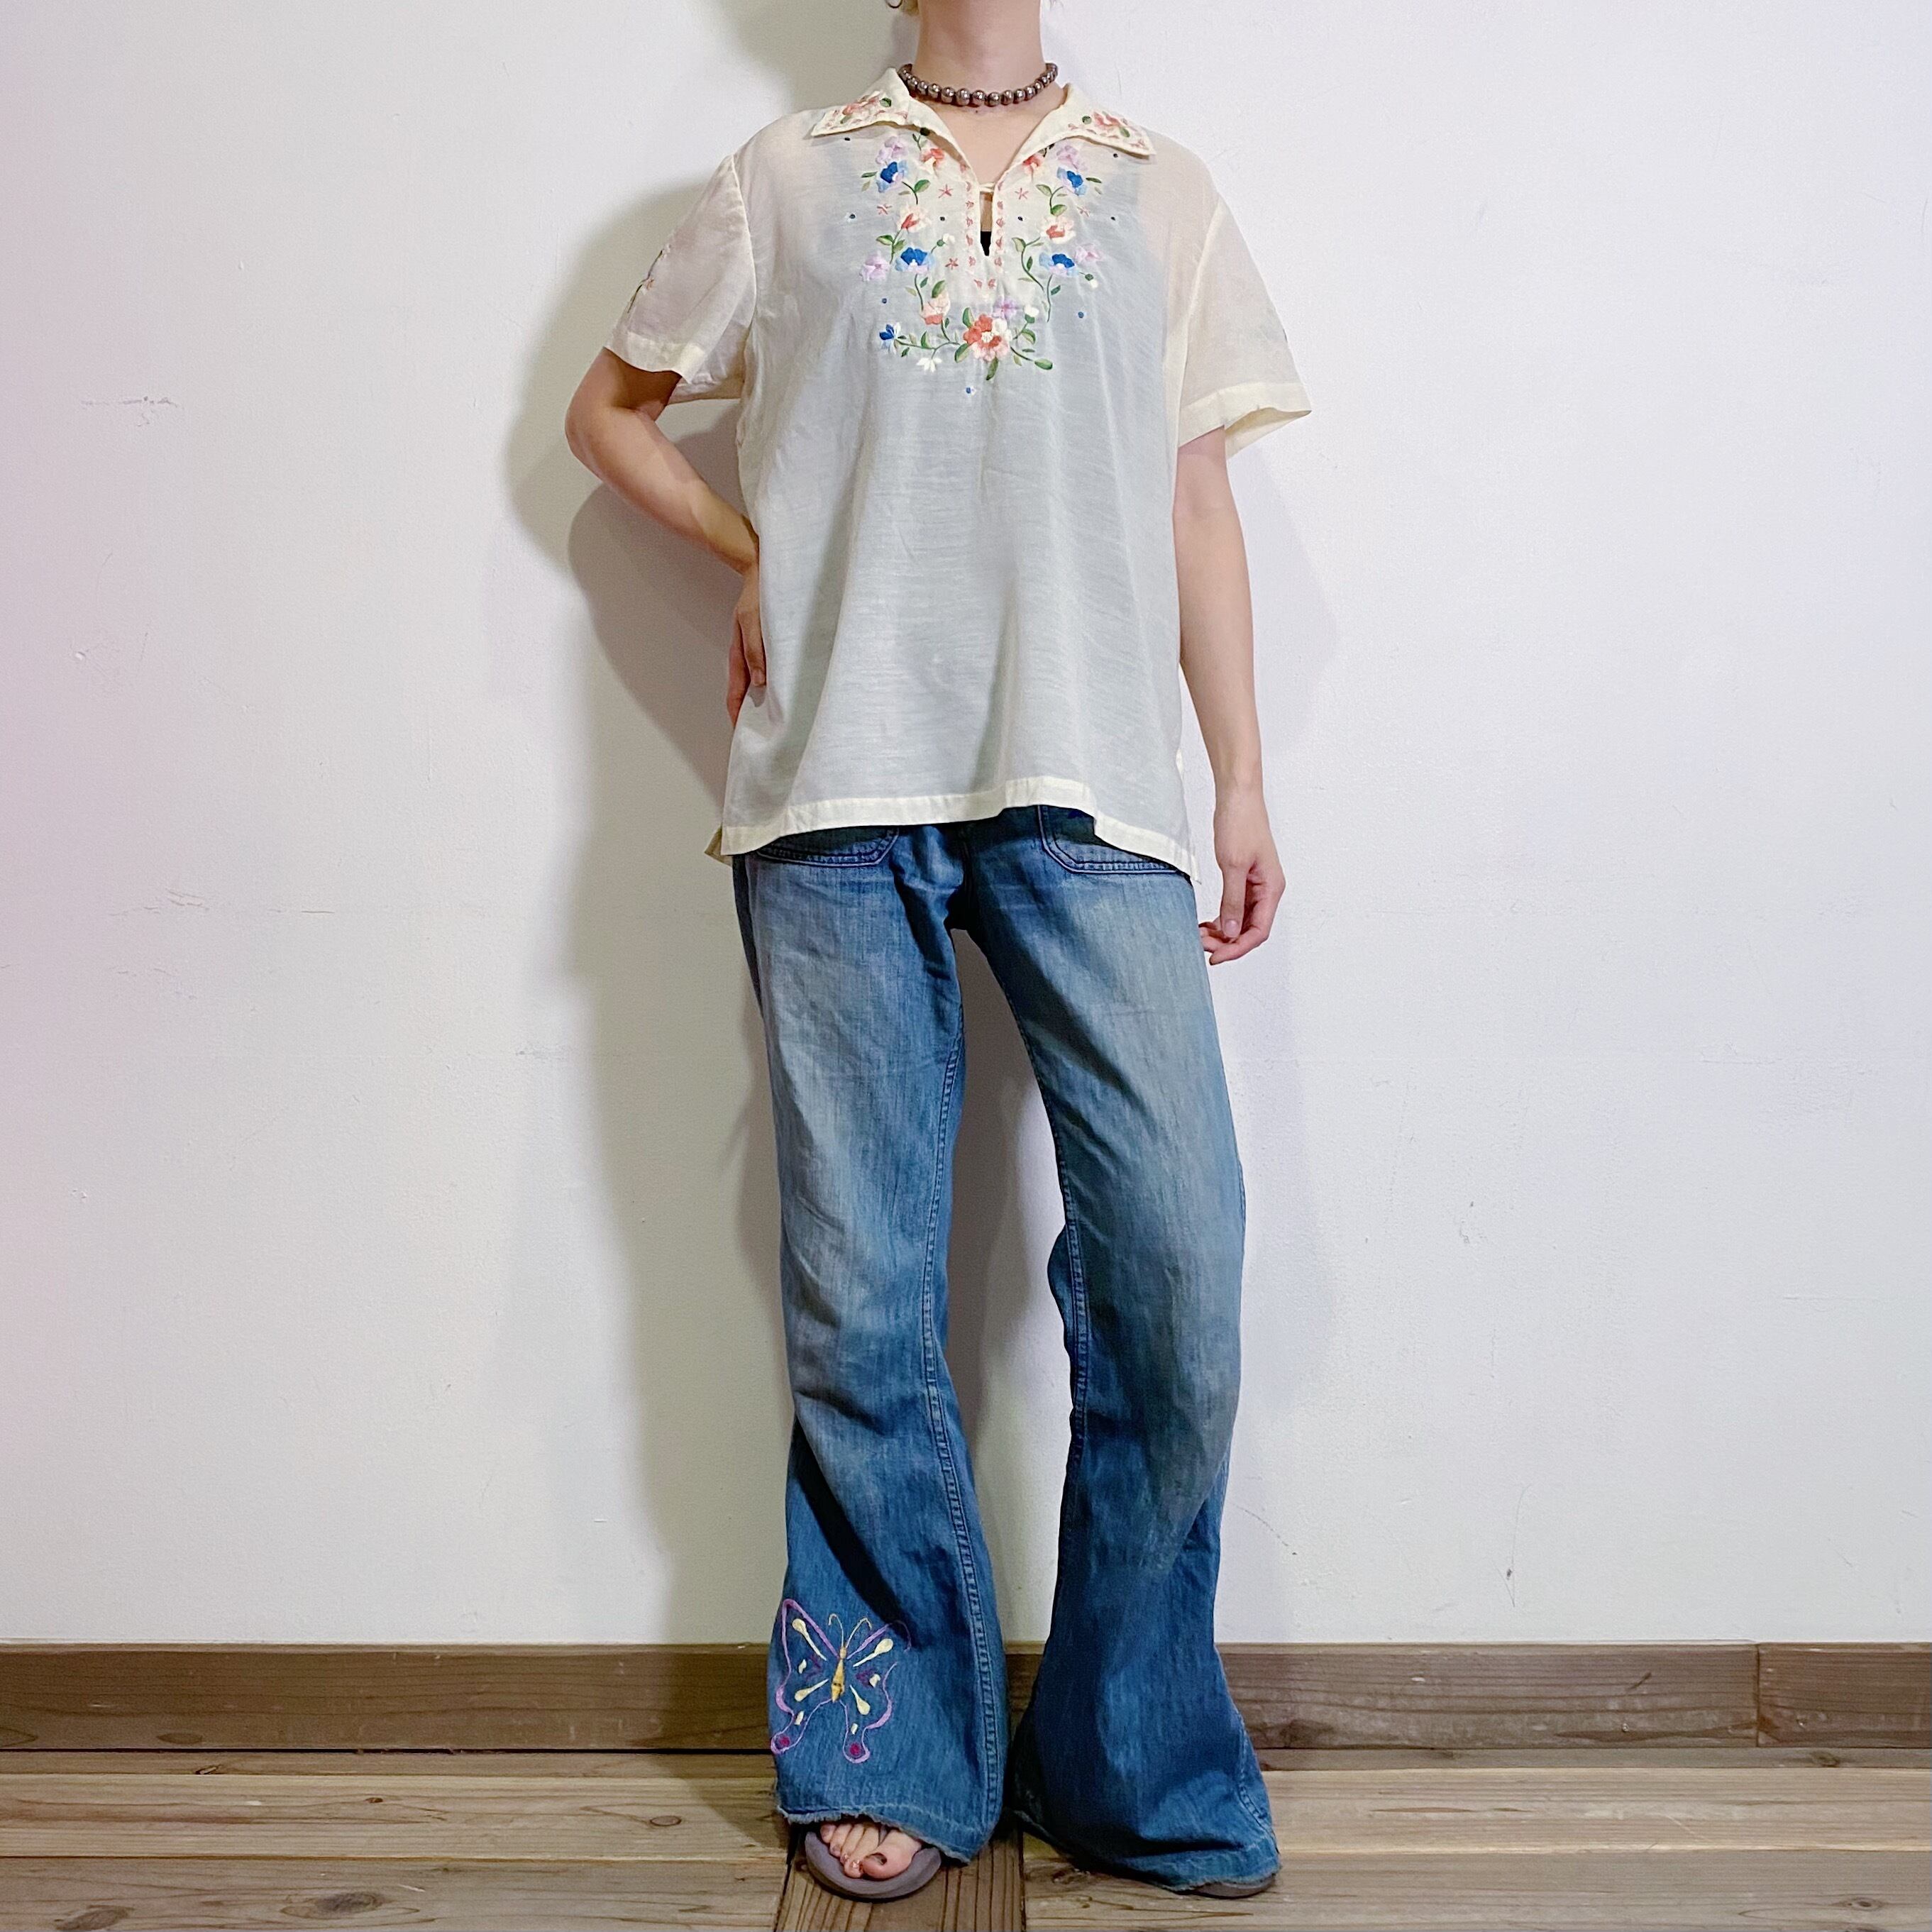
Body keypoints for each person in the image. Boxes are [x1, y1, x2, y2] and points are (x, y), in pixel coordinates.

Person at [565, 0, 1311, 1904]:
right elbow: (608, 414)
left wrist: (1238, 779)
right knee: (862, 1298)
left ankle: (1128, 1754)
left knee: (1179, 1271)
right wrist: (757, 553)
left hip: (1095, 788)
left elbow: (1195, 502)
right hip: (835, 785)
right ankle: (885, 1738)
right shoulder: (788, 178)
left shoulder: (1158, 191)